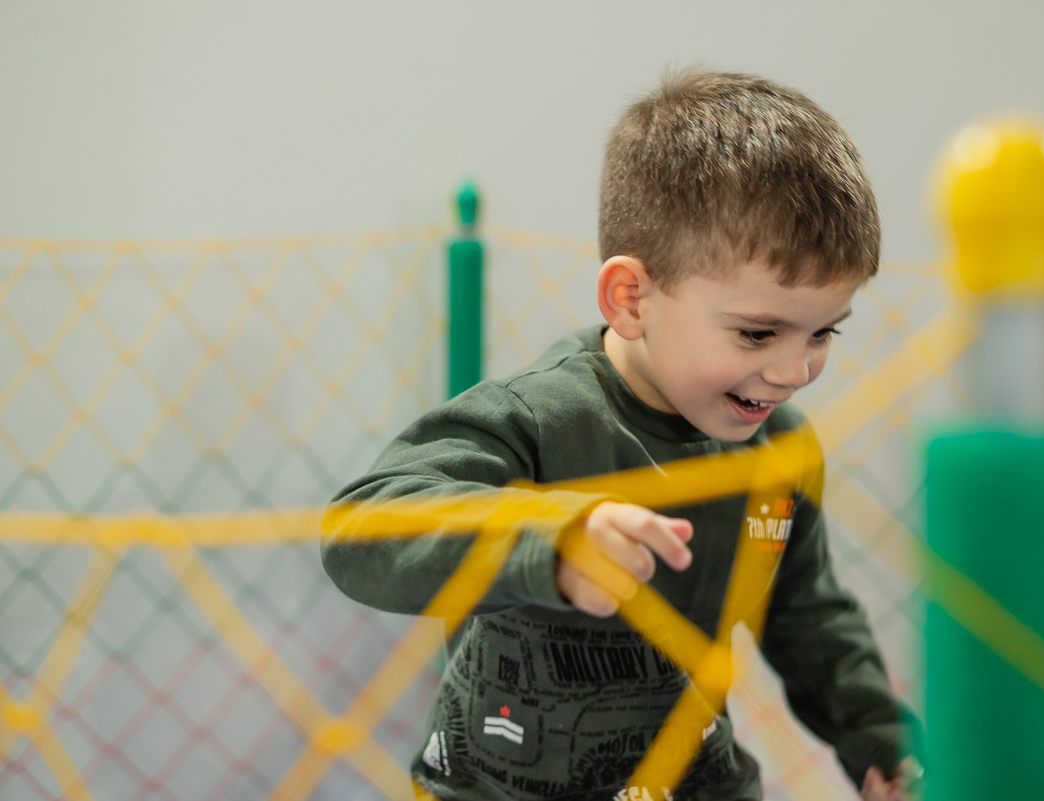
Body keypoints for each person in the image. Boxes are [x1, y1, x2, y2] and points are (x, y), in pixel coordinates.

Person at [322, 69, 924, 801]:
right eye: (758, 332)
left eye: (823, 331)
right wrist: (554, 538)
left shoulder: (779, 451)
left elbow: (810, 618)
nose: (797, 369)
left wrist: (885, 744)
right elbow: (362, 526)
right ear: (631, 298)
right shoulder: (542, 419)